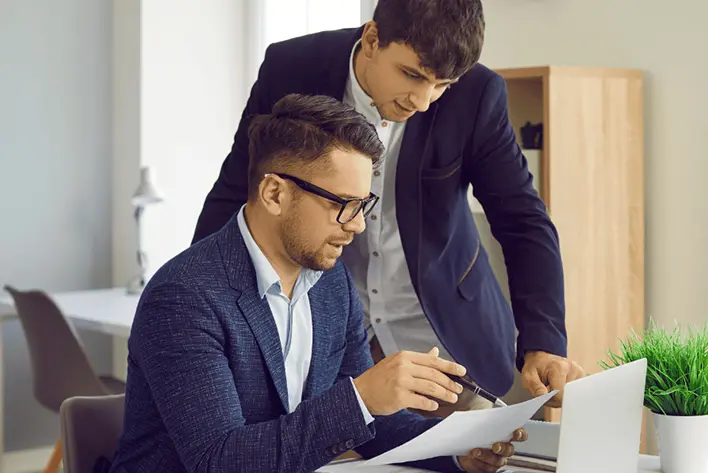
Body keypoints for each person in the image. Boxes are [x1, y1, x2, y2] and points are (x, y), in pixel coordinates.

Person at [191, 0, 584, 411]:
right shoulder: (290, 67)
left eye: (442, 84)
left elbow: (522, 220)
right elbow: (239, 191)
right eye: (411, 75)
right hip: (325, 339)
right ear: (372, 38)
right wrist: (199, 302)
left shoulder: (478, 94)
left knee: (468, 458)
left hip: (443, 340)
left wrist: (544, 341)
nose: (423, 100)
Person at [108, 94, 527, 473]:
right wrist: (361, 397)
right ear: (274, 193)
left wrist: (457, 451)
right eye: (341, 205)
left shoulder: (330, 283)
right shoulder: (183, 297)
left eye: (363, 204)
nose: (358, 225)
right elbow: (219, 459)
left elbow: (374, 427)